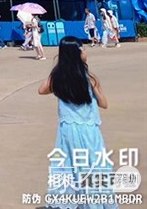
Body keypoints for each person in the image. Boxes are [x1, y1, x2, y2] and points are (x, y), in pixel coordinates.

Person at [38, 36, 114, 208]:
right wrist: (95, 88)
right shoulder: (90, 78)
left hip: (68, 131)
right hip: (89, 130)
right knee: (92, 166)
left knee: (68, 166)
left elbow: (42, 90)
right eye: (83, 49)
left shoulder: (58, 77)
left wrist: (58, 72)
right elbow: (104, 104)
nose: (85, 52)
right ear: (77, 53)